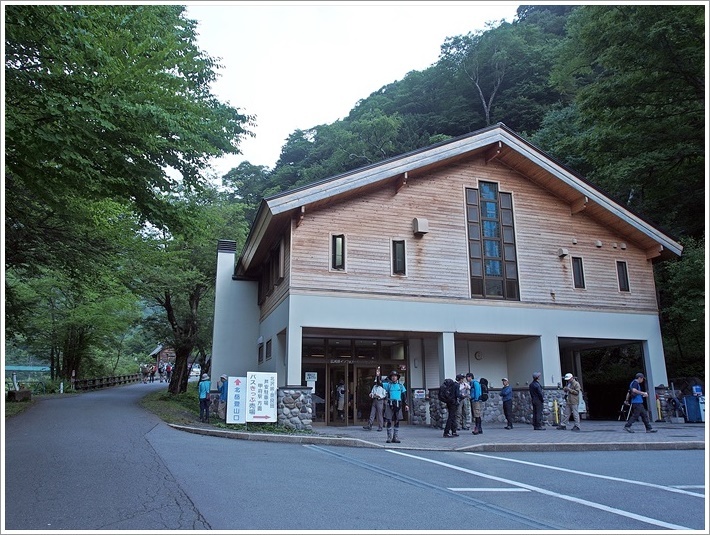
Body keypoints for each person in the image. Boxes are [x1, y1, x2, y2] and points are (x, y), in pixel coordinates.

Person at [382, 370, 407, 443]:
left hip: (398, 403)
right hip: (390, 403)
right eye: (392, 376)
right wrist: (378, 376)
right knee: (389, 420)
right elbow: (379, 384)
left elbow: (404, 395)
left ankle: (395, 437)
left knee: (397, 420)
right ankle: (389, 437)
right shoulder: (388, 385)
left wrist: (406, 404)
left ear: (397, 377)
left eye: (395, 376)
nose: (394, 378)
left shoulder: (400, 385)